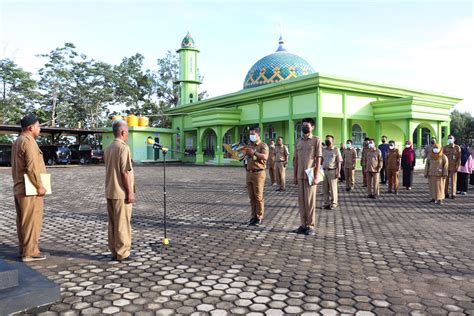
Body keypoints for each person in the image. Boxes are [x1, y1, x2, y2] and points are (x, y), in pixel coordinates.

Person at [11, 114, 48, 262]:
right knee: (32, 221)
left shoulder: (18, 141)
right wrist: (39, 186)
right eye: (38, 126)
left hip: (20, 187)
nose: (39, 129)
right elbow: (32, 167)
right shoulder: (29, 142)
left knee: (23, 221)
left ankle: (24, 249)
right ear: (31, 127)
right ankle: (31, 252)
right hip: (30, 188)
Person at [104, 120, 136, 261]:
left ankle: (114, 250)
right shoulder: (123, 148)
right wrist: (130, 192)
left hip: (110, 190)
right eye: (127, 132)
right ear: (123, 132)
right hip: (121, 192)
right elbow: (125, 172)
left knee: (113, 223)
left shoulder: (109, 147)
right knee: (122, 223)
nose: (127, 134)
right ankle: (123, 252)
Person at [293, 118, 322, 236]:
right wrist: (294, 176)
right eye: (303, 125)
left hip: (310, 175)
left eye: (307, 126)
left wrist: (316, 176)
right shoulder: (298, 141)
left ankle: (310, 225)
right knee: (301, 202)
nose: (305, 127)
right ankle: (303, 225)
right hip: (300, 175)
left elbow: (318, 158)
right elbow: (296, 160)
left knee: (310, 202)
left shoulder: (316, 140)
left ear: (312, 127)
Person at [244, 127, 269, 226]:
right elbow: (245, 157)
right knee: (251, 197)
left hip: (259, 173)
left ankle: (259, 217)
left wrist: (253, 153)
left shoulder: (263, 145)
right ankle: (253, 216)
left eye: (253, 134)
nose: (251, 136)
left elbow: (265, 157)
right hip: (249, 172)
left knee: (258, 196)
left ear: (258, 135)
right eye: (250, 134)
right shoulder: (249, 145)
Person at [321, 135, 342, 210]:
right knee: (325, 189)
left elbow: (339, 162)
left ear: (332, 141)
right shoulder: (323, 150)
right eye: (326, 140)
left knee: (333, 188)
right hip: (324, 171)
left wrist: (338, 172)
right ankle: (326, 203)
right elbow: (321, 160)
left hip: (332, 171)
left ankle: (334, 203)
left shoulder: (336, 150)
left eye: (329, 140)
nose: (327, 141)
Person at [443, 134, 461, 199]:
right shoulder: (445, 147)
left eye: (451, 138)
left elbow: (459, 158)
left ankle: (453, 194)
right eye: (448, 138)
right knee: (445, 181)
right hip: (446, 167)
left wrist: (457, 166)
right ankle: (445, 193)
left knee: (453, 181)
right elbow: (442, 157)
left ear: (454, 139)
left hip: (453, 166)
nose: (449, 139)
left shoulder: (457, 147)